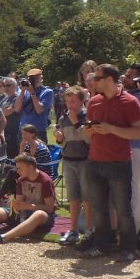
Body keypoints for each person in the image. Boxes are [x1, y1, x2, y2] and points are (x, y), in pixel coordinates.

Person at [81, 64, 140, 262]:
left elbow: (137, 132)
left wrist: (110, 129)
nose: (93, 82)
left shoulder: (130, 101)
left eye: (97, 78)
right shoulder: (94, 102)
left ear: (109, 80)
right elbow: (88, 133)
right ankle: (102, 246)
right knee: (98, 208)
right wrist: (88, 132)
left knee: (123, 209)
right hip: (95, 160)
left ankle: (128, 249)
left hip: (119, 162)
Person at [0, 153, 56, 244]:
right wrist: (16, 205)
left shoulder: (45, 181)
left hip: (42, 215)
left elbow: (50, 208)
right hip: (24, 213)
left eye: (19, 168)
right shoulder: (21, 180)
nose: (17, 171)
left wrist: (30, 206)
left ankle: (3, 237)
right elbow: (19, 201)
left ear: (30, 167)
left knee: (39, 214)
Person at [54, 85, 92, 246]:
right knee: (73, 197)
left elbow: (89, 140)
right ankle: (74, 230)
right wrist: (59, 139)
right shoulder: (63, 119)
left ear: (82, 102)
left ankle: (89, 231)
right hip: (69, 160)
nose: (70, 105)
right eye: (68, 101)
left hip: (85, 160)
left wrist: (78, 123)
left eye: (73, 101)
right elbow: (63, 143)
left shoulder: (87, 117)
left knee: (87, 198)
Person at [122, 63, 140, 231]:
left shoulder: (139, 97)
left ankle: (135, 228)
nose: (125, 77)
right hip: (127, 147)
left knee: (132, 189)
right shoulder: (130, 94)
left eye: (130, 76)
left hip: (136, 148)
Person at [13, 68, 53, 142]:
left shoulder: (47, 92)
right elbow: (17, 109)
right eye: (32, 78)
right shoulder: (24, 92)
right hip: (24, 130)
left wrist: (32, 92)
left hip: (38, 130)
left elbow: (39, 110)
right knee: (23, 153)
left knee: (39, 153)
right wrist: (22, 91)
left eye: (36, 78)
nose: (34, 80)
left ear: (41, 78)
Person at [0, 77, 21, 158]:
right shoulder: (4, 99)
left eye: (8, 85)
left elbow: (7, 112)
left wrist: (4, 112)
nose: (5, 88)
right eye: (4, 85)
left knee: (14, 156)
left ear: (15, 86)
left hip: (15, 133)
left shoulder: (17, 98)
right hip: (5, 133)